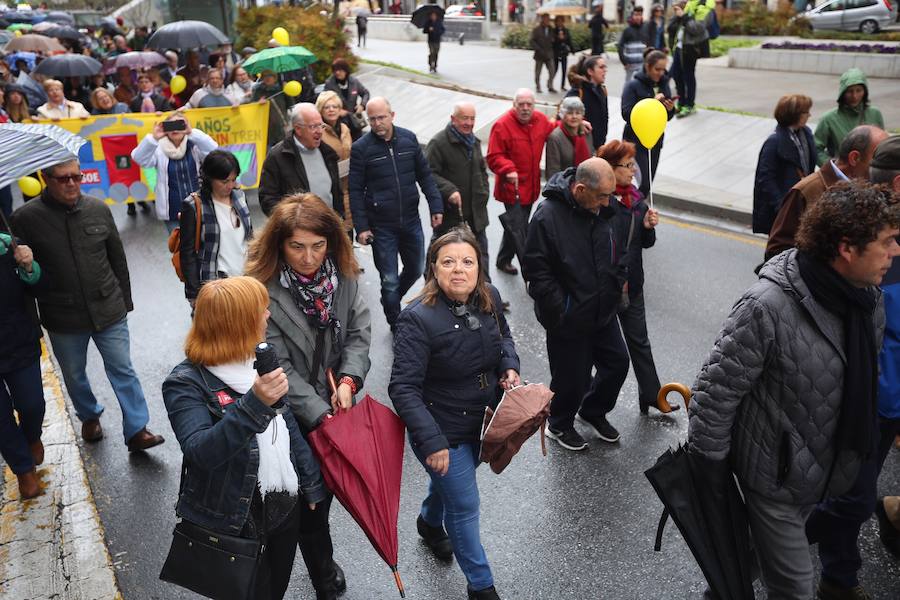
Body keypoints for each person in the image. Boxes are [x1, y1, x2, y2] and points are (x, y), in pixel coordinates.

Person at [688, 181, 899, 600]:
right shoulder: (766, 306)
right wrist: (710, 480)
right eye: (887, 241)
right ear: (846, 248)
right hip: (776, 479)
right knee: (796, 588)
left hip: (824, 472)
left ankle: (722, 587)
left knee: (754, 561)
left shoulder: (867, 300)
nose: (895, 252)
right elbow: (714, 394)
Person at [161, 276, 327, 600]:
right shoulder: (185, 383)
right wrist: (255, 403)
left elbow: (286, 422)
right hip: (236, 516)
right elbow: (201, 452)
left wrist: (310, 482)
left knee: (274, 590)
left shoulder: (259, 358)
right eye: (261, 311)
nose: (268, 316)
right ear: (237, 324)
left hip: (283, 504)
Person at [245, 194, 371, 600]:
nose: (308, 257)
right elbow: (276, 364)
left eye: (318, 245)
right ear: (279, 244)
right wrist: (318, 411)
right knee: (306, 502)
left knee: (325, 495)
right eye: (297, 246)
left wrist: (350, 381)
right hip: (288, 412)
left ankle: (320, 559)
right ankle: (322, 571)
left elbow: (358, 332)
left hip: (337, 399)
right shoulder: (261, 289)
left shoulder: (346, 275)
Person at [390, 227, 519, 600]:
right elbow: (403, 388)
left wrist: (509, 365)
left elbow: (505, 337)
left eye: (467, 261)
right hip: (441, 427)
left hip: (485, 420)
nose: (458, 270)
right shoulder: (417, 318)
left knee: (450, 484)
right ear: (433, 268)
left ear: (479, 267)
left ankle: (429, 523)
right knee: (464, 506)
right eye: (448, 262)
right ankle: (482, 587)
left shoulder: (489, 296)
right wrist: (431, 442)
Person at [10, 159, 165, 452]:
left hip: (108, 307)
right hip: (62, 315)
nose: (72, 183)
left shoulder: (97, 208)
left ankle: (137, 429)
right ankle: (89, 414)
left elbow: (117, 257)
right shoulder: (25, 218)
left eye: (77, 177)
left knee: (123, 369)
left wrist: (125, 300)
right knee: (75, 375)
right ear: (45, 178)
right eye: (63, 178)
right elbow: (22, 280)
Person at [805, 136, 900, 600]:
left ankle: (838, 574)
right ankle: (759, 544)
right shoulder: (865, 237)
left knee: (853, 497)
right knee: (849, 499)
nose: (891, 253)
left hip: (887, 396)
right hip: (865, 399)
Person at [523, 158, 629, 450]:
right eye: (602, 196)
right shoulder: (547, 217)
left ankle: (592, 410)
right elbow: (536, 271)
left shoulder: (603, 206)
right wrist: (562, 308)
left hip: (603, 309)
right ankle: (559, 424)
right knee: (572, 377)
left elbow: (618, 244)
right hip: (568, 316)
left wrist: (618, 277)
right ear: (580, 189)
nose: (608, 202)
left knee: (618, 363)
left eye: (610, 195)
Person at [349, 97, 443, 328]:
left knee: (416, 268)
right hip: (382, 226)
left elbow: (425, 176)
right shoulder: (361, 148)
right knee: (389, 279)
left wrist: (436, 206)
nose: (377, 123)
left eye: (381, 117)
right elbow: (355, 190)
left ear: (392, 115)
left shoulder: (409, 140)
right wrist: (361, 227)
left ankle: (391, 298)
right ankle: (395, 321)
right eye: (372, 119)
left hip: (411, 220)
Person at [595, 140, 665, 414]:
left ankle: (651, 394)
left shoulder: (636, 200)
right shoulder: (602, 202)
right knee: (602, 351)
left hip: (632, 284)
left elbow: (643, 244)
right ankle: (589, 402)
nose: (633, 169)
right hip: (606, 288)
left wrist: (647, 227)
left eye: (632, 163)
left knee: (640, 341)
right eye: (626, 165)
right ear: (611, 170)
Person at [766, 125, 888, 260]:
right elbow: (776, 250)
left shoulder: (875, 189)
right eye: (879, 157)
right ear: (855, 158)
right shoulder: (807, 190)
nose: (884, 164)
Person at [486, 88, 555, 276]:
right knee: (520, 228)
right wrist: (508, 169)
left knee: (515, 225)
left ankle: (502, 259)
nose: (525, 108)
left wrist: (578, 123)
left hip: (531, 186)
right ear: (514, 105)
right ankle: (530, 270)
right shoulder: (502, 125)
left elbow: (556, 128)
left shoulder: (540, 120)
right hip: (512, 188)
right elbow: (493, 156)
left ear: (534, 105)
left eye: (529, 104)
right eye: (521, 104)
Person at [1, 232, 48, 500]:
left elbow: (39, 288)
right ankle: (23, 470)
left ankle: (32, 436)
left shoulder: (10, 245)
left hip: (18, 341)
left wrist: (29, 266)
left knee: (32, 405)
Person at [425, 102, 492, 278]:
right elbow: (428, 174)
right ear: (453, 119)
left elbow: (482, 170)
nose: (469, 123)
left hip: (477, 212)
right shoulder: (438, 143)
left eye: (472, 118)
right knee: (444, 259)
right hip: (451, 215)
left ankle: (487, 299)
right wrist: (449, 190)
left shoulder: (473, 141)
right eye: (464, 118)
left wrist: (484, 191)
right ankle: (434, 296)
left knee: (480, 257)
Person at [178, 150, 253, 306]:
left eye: (233, 180)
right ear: (209, 178)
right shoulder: (194, 206)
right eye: (225, 181)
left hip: (246, 279)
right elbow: (187, 253)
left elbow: (249, 237)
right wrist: (194, 294)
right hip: (217, 284)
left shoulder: (239, 196)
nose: (230, 186)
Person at [259, 103, 343, 218]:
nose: (319, 131)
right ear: (298, 129)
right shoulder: (278, 156)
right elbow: (267, 199)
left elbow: (337, 193)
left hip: (330, 226)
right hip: (299, 232)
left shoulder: (327, 152)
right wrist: (292, 223)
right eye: (313, 127)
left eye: (321, 125)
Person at [132, 114, 218, 226]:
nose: (175, 128)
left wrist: (191, 133)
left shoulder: (194, 145)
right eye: (171, 125)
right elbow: (140, 159)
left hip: (200, 205)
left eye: (179, 124)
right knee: (178, 243)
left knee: (203, 242)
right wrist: (153, 138)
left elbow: (213, 151)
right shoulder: (158, 148)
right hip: (172, 209)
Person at [752, 94, 817, 235]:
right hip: (784, 207)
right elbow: (765, 178)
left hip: (800, 202)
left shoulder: (805, 134)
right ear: (794, 114)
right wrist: (781, 206)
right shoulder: (774, 142)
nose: (809, 115)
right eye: (806, 112)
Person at [621, 49, 676, 197]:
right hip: (635, 142)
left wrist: (670, 109)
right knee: (642, 183)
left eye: (663, 69)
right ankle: (632, 212)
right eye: (657, 69)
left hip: (655, 140)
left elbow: (665, 117)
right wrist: (652, 103)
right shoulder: (632, 85)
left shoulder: (664, 84)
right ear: (647, 66)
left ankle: (638, 213)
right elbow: (626, 113)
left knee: (648, 183)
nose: (661, 73)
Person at [814, 67, 885, 168]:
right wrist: (833, 167)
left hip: (870, 175)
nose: (854, 96)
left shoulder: (875, 114)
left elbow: (882, 146)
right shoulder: (828, 119)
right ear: (842, 92)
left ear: (865, 91)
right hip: (842, 177)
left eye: (859, 90)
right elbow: (816, 148)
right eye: (849, 91)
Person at [317, 91, 354, 235]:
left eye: (334, 106)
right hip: (330, 189)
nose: (331, 110)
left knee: (348, 235)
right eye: (327, 107)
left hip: (347, 187)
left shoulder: (345, 129)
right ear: (320, 110)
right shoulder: (318, 132)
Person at [667, 0, 710, 119]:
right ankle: (681, 103)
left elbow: (697, 29)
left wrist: (685, 16)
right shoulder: (683, 13)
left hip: (690, 50)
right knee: (677, 75)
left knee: (688, 77)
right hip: (678, 49)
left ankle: (690, 105)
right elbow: (670, 28)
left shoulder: (703, 9)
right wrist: (678, 16)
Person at [566, 55, 609, 150]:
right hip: (579, 146)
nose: (605, 70)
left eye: (605, 67)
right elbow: (562, 116)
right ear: (590, 71)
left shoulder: (602, 90)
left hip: (598, 146)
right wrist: (579, 122)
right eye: (601, 67)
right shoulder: (577, 91)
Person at [546, 96, 593, 180]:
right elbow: (552, 171)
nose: (574, 116)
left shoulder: (586, 132)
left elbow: (591, 160)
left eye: (578, 113)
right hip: (564, 187)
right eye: (570, 113)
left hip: (585, 184)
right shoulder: (555, 138)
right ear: (562, 115)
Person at [323, 58, 370, 141]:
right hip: (339, 122)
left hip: (354, 120)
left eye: (340, 70)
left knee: (359, 143)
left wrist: (362, 105)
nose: (337, 72)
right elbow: (325, 100)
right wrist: (337, 110)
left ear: (346, 70)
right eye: (335, 70)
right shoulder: (329, 84)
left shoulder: (354, 81)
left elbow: (365, 93)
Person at [252, 70, 289, 149]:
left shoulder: (281, 89)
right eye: (265, 76)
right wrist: (257, 104)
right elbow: (252, 108)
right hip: (266, 129)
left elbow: (290, 104)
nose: (268, 78)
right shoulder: (258, 90)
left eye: (270, 76)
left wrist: (288, 92)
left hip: (281, 128)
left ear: (275, 78)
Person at [617, 7, 646, 84]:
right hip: (630, 64)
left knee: (641, 84)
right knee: (628, 84)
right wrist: (624, 62)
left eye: (639, 15)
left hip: (642, 64)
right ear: (632, 16)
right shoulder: (627, 30)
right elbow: (620, 46)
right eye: (636, 15)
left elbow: (649, 45)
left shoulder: (645, 28)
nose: (637, 17)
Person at [531, 13, 556, 93]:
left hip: (549, 54)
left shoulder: (551, 29)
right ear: (542, 19)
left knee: (552, 71)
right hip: (539, 54)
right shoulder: (536, 29)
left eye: (548, 19)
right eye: (545, 19)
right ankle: (538, 87)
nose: (547, 21)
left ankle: (550, 85)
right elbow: (532, 41)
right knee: (538, 72)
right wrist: (538, 49)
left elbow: (554, 39)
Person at [552, 16, 573, 92]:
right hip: (556, 52)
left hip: (564, 52)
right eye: (558, 21)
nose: (560, 23)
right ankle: (550, 84)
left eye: (561, 21)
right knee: (555, 69)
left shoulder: (566, 30)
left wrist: (573, 50)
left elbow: (569, 40)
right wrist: (558, 38)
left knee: (564, 70)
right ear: (556, 22)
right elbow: (552, 41)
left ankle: (562, 85)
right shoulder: (553, 30)